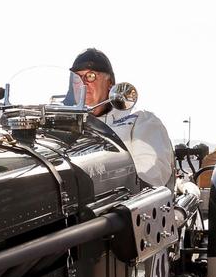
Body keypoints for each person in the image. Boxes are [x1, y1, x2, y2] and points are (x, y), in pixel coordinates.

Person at [70, 47, 173, 188]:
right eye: (77, 78)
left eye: (90, 76)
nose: (83, 84)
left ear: (110, 83)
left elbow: (151, 177)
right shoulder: (67, 125)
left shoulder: (140, 120)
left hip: (118, 205)